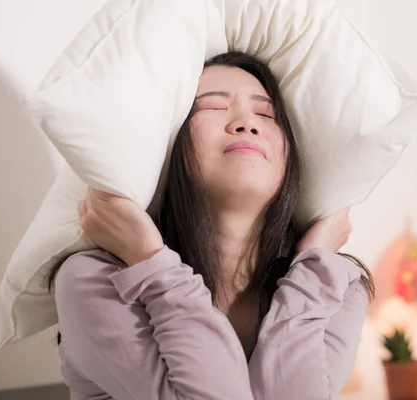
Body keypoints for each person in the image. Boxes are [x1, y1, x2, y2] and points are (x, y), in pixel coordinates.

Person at [46, 51, 375, 400]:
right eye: (213, 107)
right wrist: (150, 263)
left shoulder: (336, 289)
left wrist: (313, 267)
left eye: (266, 114)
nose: (246, 123)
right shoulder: (93, 280)